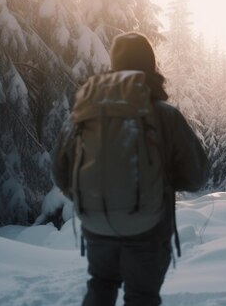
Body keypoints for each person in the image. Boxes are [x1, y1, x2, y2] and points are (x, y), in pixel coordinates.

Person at [52, 32, 209, 305]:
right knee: (141, 297)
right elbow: (196, 177)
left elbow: (60, 170)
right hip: (148, 226)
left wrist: (93, 194)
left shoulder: (85, 111)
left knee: (101, 286)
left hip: (97, 223)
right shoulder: (164, 115)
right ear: (150, 65)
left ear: (114, 64)